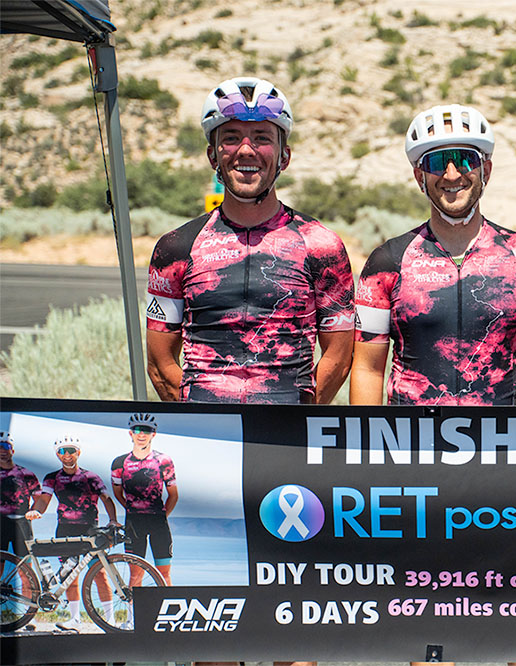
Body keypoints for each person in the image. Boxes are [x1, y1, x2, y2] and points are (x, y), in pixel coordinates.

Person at [145, 76, 355, 404]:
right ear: (213, 156)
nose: (246, 150)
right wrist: (199, 420)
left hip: (285, 438)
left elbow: (339, 359)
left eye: (261, 138)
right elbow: (160, 364)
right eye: (231, 138)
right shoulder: (175, 247)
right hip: (207, 436)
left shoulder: (322, 246)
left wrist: (292, 421)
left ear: (284, 157)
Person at [351, 104, 516, 407]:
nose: (452, 173)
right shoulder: (387, 262)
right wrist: (369, 449)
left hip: (501, 443)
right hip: (410, 446)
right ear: (420, 176)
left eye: (465, 159)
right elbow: (367, 368)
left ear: (487, 171)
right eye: (438, 162)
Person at [29, 436, 116, 631]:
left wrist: (112, 519)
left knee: (100, 574)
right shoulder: (52, 477)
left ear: (78, 452)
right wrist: (37, 511)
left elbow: (106, 499)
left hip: (90, 530)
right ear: (57, 454)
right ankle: (74, 619)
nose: (66, 454)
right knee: (70, 576)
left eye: (71, 450)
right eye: (62, 451)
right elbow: (44, 499)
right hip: (65, 529)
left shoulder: (90, 477)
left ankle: (110, 619)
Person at [111, 413, 177, 586]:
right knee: (135, 575)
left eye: (146, 431)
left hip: (158, 523)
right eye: (137, 430)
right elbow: (118, 493)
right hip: (134, 524)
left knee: (164, 574)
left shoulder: (164, 460)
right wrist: (133, 509)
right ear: (130, 433)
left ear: (153, 434)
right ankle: (134, 613)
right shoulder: (119, 463)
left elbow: (174, 495)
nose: (141, 435)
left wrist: (162, 515)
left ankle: (167, 609)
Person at [0, 432, 43, 556]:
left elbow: (39, 498)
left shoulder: (26, 474)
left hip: (22, 523)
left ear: (12, 451)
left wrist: (34, 511)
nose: (2, 450)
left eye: (5, 446)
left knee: (26, 567)